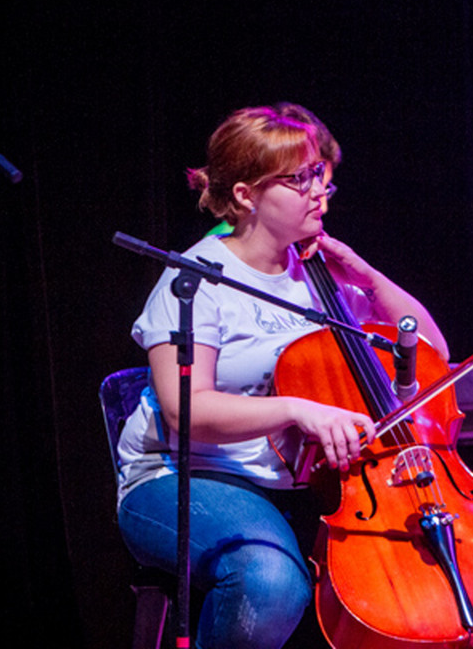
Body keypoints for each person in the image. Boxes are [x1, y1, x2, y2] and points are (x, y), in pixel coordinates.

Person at [116, 103, 449, 649]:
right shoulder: (197, 280)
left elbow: (431, 353)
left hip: (301, 485)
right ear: (245, 195)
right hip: (185, 478)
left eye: (321, 174)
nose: (320, 190)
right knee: (268, 580)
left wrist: (365, 276)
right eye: (300, 179)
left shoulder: (316, 276)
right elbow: (185, 408)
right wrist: (298, 409)